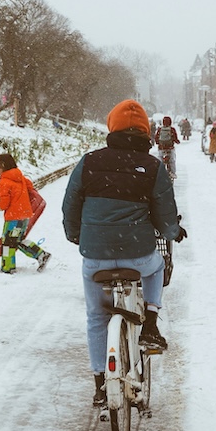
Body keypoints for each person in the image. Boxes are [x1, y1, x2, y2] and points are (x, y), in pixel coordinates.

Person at [62, 99, 186, 408]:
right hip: (138, 255)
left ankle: (100, 384)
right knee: (156, 267)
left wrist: (76, 235)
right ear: (147, 132)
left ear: (111, 128)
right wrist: (174, 232)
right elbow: (165, 215)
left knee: (95, 316)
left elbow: (70, 205)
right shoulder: (153, 167)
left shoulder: (89, 162)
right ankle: (151, 324)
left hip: (95, 257)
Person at [0, 152, 51, 274]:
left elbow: (4, 203)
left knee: (8, 243)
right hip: (24, 216)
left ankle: (7, 268)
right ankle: (41, 255)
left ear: (3, 166)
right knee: (18, 240)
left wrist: (1, 206)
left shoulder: (4, 182)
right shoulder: (20, 178)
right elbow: (31, 188)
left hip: (13, 218)